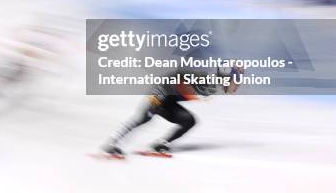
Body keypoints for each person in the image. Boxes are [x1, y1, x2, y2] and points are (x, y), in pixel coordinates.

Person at [101, 65, 242, 157]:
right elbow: (175, 76)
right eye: (234, 81)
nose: (236, 85)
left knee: (189, 120)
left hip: (170, 101)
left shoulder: (214, 87)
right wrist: (157, 97)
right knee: (145, 118)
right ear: (225, 78)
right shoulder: (205, 80)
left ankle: (161, 144)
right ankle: (113, 143)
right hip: (161, 93)